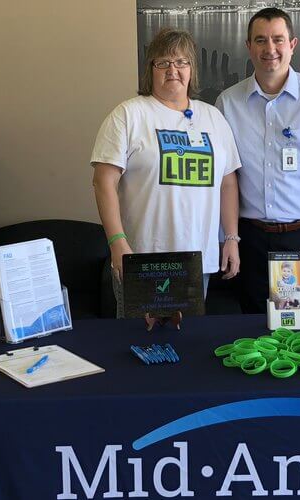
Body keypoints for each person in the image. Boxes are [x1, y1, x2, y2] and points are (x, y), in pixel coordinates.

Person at [92, 28, 241, 317]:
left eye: (181, 62)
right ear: (151, 69)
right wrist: (117, 242)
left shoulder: (213, 117)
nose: (173, 69)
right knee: (140, 347)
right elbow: (103, 181)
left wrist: (232, 238)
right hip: (142, 259)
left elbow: (228, 183)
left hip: (197, 259)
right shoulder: (129, 114)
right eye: (163, 62)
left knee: (188, 346)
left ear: (191, 70)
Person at [215, 8, 300, 313]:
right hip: (252, 240)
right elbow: (223, 179)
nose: (270, 49)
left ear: (293, 44)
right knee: (258, 338)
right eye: (261, 40)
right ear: (248, 46)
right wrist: (226, 238)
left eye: (278, 40)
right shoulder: (227, 104)